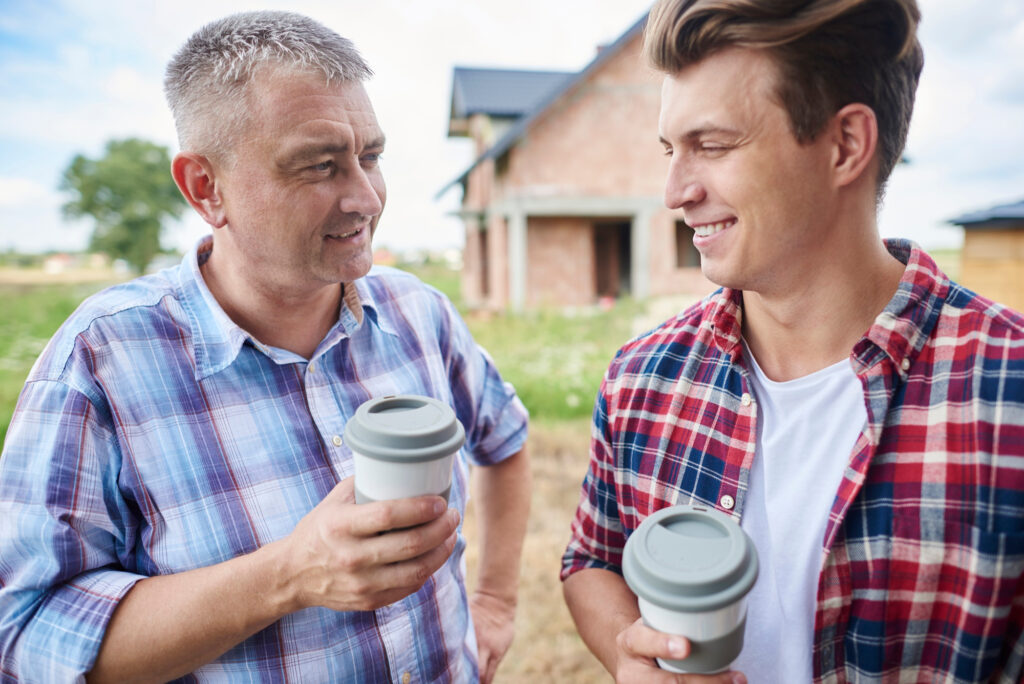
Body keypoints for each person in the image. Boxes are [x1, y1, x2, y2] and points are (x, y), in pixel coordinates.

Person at [0, 11, 530, 683]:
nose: (366, 197)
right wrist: (288, 575)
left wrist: (494, 601)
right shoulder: (98, 363)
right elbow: (25, 635)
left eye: (371, 156)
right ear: (204, 188)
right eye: (319, 166)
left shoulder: (421, 313)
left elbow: (506, 443)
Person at [561, 0, 1024, 682]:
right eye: (670, 150)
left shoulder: (1009, 395)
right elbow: (594, 560)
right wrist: (629, 655)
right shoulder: (642, 379)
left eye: (711, 145)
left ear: (844, 146)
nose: (674, 191)